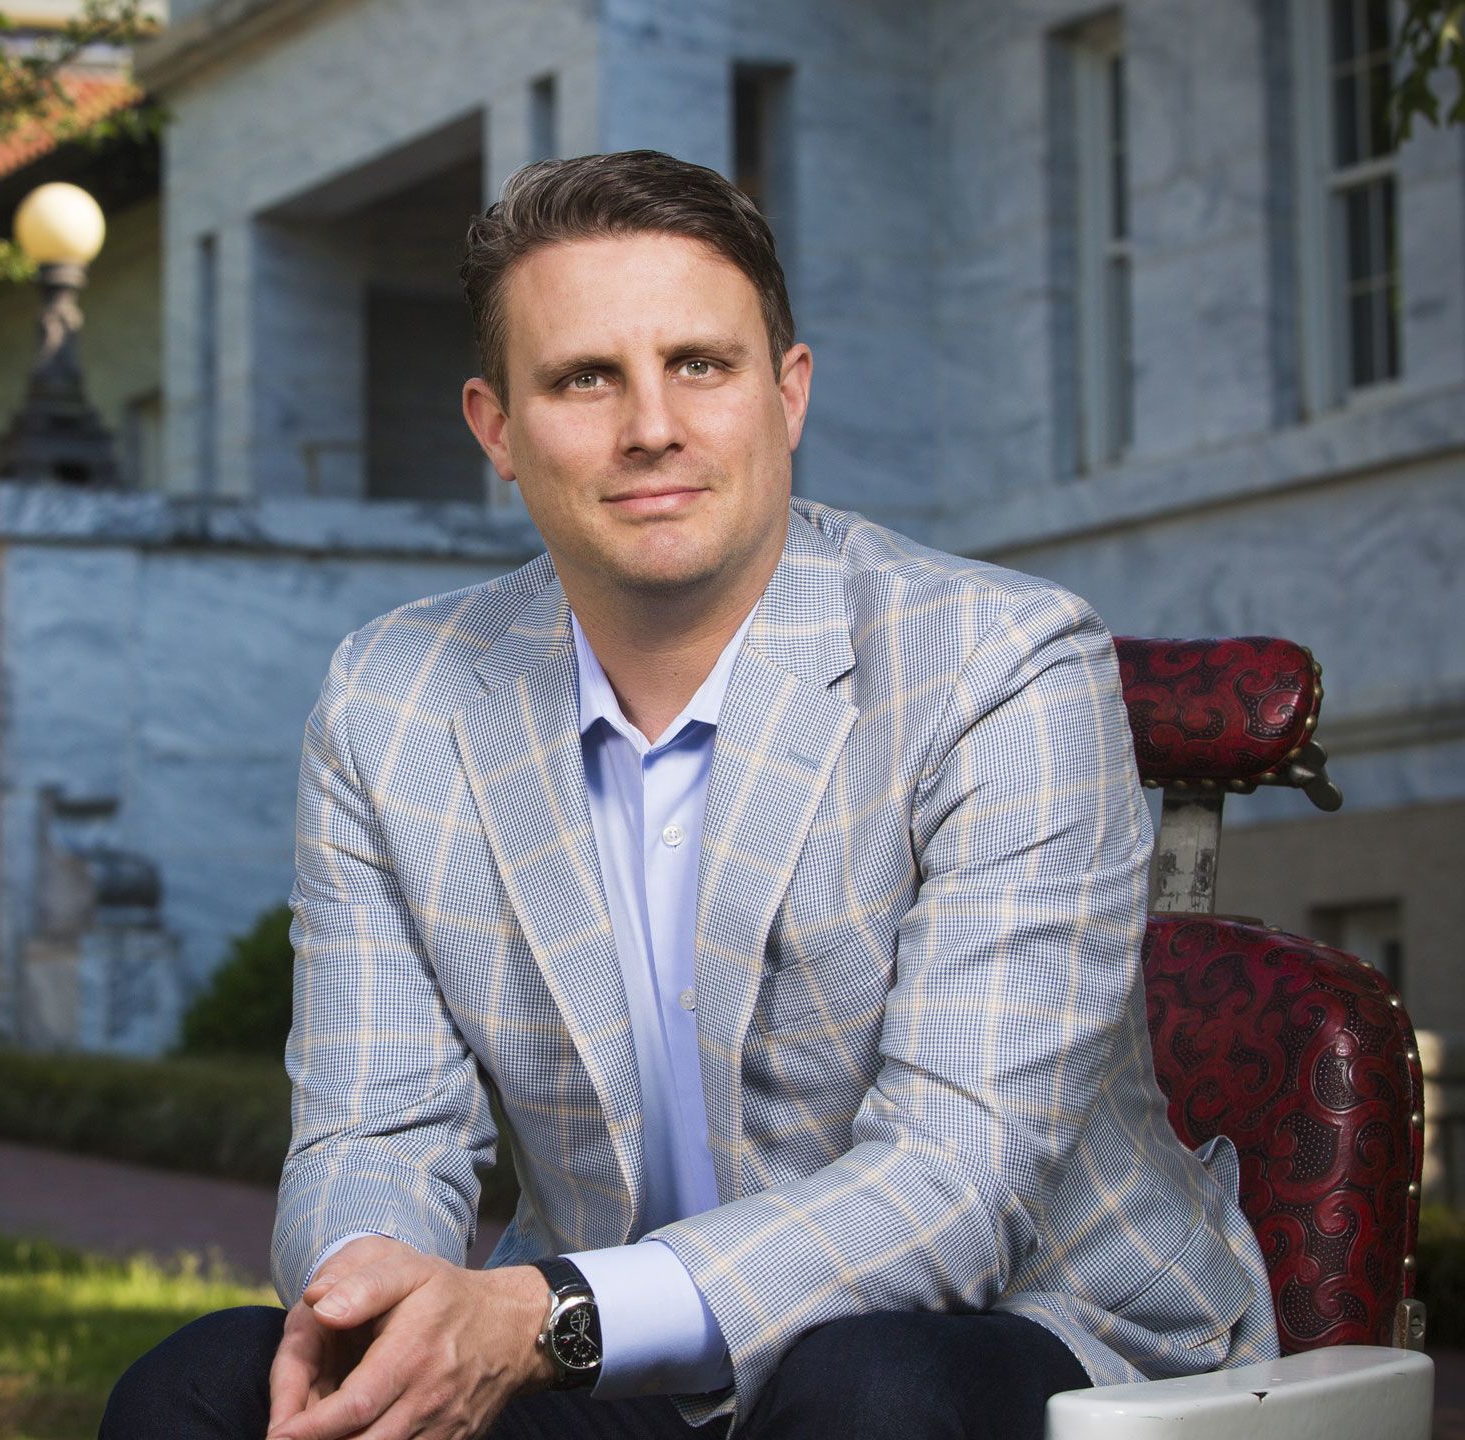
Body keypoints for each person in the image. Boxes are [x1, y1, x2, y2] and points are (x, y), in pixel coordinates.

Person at [100, 150, 1275, 1440]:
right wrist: (379, 1309)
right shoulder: (396, 702)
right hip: (607, 1361)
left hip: (1027, 1325)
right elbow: (373, 1129)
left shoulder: (997, 665)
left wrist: (538, 1317)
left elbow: (950, 1188)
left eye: (701, 366)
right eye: (584, 377)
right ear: (496, 427)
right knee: (199, 1391)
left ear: (789, 392)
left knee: (864, 1394)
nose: (649, 424)